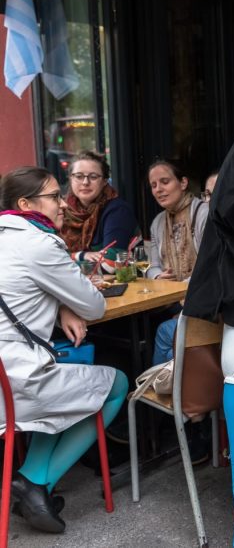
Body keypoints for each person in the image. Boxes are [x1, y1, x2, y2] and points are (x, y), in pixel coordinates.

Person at [0, 167, 128, 535]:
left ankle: (32, 480)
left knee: (66, 387)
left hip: (6, 381)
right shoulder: (40, 242)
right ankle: (38, 483)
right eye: (54, 196)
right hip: (22, 384)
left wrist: (60, 307)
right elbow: (96, 307)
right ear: (25, 204)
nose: (62, 203)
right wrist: (71, 303)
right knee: (115, 384)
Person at [60, 150, 138, 267]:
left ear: (104, 182)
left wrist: (68, 259)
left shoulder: (118, 210)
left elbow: (111, 264)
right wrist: (79, 256)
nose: (85, 182)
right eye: (79, 176)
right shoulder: (63, 209)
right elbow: (49, 258)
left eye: (93, 176)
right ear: (71, 179)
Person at [146, 159, 208, 283]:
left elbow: (210, 265)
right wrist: (158, 276)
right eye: (153, 185)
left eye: (165, 182)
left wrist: (180, 289)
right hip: (170, 297)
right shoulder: (157, 222)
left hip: (205, 293)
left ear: (183, 183)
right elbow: (152, 267)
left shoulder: (204, 213)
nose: (158, 189)